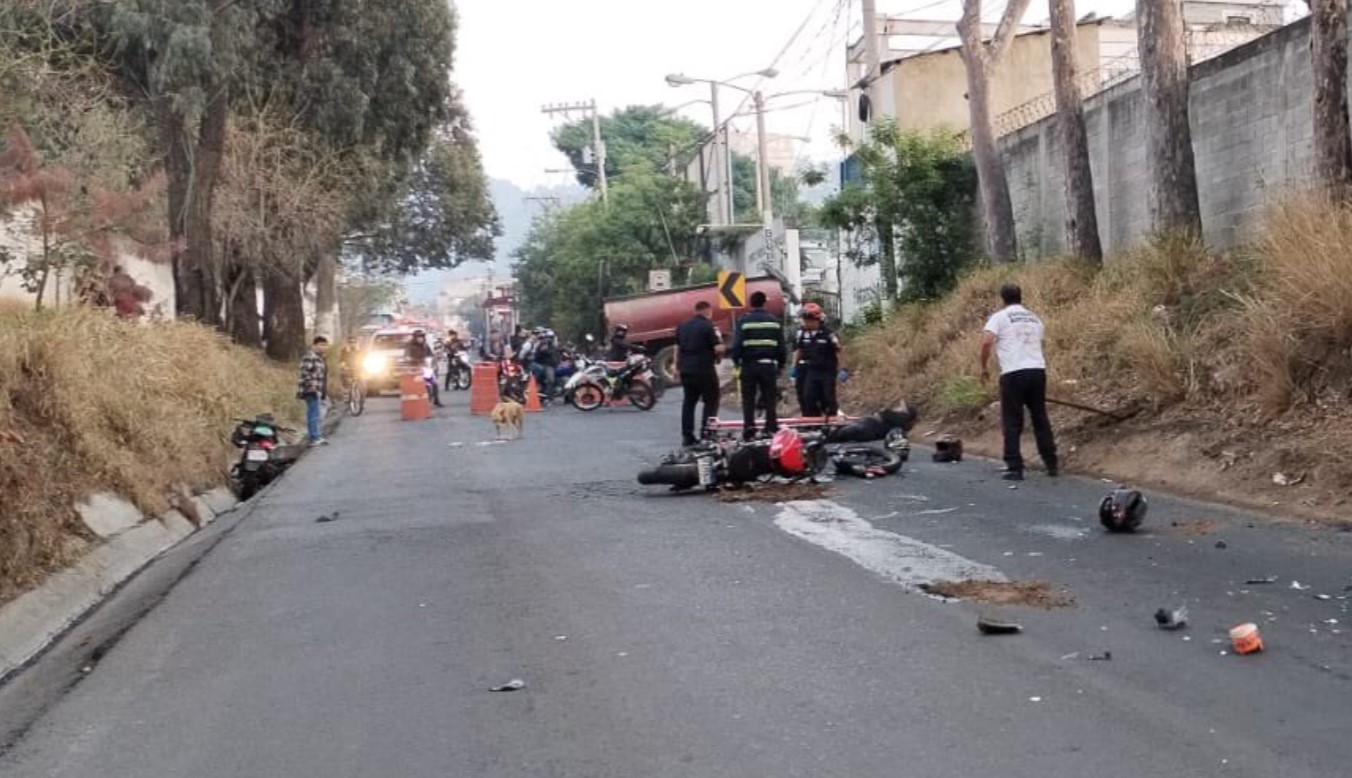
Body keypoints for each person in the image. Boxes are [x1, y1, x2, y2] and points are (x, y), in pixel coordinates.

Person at [980, 283, 1058, 481]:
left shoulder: (999, 317)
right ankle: (1051, 463)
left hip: (1014, 373)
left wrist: (983, 367)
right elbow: (1040, 342)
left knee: (1012, 421)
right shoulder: (1034, 318)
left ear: (1003, 298)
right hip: (1037, 370)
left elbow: (987, 341)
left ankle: (1015, 467)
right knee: (1040, 417)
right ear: (1020, 297)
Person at [730, 291, 786, 442]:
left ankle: (749, 428)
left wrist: (736, 362)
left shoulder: (743, 321)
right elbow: (781, 347)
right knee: (770, 398)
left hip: (748, 366)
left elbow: (736, 345)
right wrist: (781, 365)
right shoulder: (774, 322)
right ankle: (771, 427)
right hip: (768, 366)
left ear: (751, 303)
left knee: (748, 398)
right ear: (764, 303)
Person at [675, 301, 724, 446]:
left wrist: (677, 368)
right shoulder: (709, 327)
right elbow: (719, 348)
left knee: (689, 403)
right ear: (708, 311)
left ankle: (687, 436)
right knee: (711, 400)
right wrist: (718, 359)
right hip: (704, 370)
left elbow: (677, 349)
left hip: (686, 370)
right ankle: (707, 433)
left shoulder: (682, 326)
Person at [792, 303, 843, 418]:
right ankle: (813, 422)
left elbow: (839, 350)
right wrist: (794, 369)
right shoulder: (802, 334)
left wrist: (842, 369)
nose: (806, 323)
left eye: (809, 320)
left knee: (828, 397)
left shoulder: (828, 334)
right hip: (812, 370)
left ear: (817, 320)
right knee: (808, 396)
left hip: (827, 371)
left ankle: (833, 419)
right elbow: (798, 351)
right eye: (805, 320)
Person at [298, 336, 330, 447]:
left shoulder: (321, 358)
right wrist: (312, 388)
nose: (323, 347)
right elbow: (305, 374)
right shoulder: (310, 357)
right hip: (311, 390)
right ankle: (314, 437)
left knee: (317, 413)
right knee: (313, 414)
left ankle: (316, 435)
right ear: (314, 345)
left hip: (318, 389)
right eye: (321, 345)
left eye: (325, 345)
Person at [404, 329, 442, 407]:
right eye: (418, 337)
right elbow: (406, 356)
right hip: (414, 368)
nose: (420, 338)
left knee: (434, 383)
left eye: (421, 337)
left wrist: (434, 361)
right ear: (414, 337)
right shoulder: (409, 346)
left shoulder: (425, 345)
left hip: (425, 368)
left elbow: (431, 355)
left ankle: (436, 400)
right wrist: (413, 360)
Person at [531, 329, 559, 400]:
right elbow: (536, 356)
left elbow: (556, 355)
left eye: (551, 337)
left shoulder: (553, 345)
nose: (549, 339)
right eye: (548, 337)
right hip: (546, 365)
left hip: (553, 365)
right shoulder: (542, 345)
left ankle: (553, 393)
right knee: (551, 379)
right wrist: (542, 351)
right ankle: (548, 396)